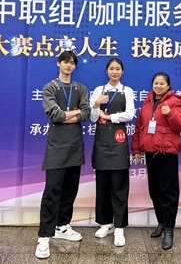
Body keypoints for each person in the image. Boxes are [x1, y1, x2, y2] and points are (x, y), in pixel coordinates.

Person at [36, 51, 91, 259]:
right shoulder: (50, 87)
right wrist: (74, 113)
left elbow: (86, 113)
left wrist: (68, 115)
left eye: (72, 63)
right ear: (58, 63)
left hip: (75, 147)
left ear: (75, 66)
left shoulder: (80, 88)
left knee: (70, 190)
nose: (69, 65)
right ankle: (44, 236)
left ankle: (62, 226)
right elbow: (55, 115)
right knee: (52, 192)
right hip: (56, 148)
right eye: (66, 62)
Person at [131, 72, 181, 250]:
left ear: (168, 86)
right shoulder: (147, 102)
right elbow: (139, 126)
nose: (158, 86)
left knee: (168, 192)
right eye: (156, 83)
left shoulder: (174, 102)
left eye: (162, 83)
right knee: (154, 191)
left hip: (167, 153)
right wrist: (136, 148)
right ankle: (161, 223)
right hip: (150, 152)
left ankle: (169, 229)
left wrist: (169, 113)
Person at [89, 58, 136, 247]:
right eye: (111, 69)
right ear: (106, 71)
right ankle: (105, 223)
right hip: (101, 143)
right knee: (102, 187)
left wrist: (109, 116)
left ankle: (119, 227)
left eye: (118, 69)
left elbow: (130, 114)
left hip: (118, 143)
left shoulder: (127, 91)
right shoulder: (98, 90)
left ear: (122, 71)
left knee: (119, 187)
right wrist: (96, 104)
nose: (114, 72)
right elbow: (92, 117)